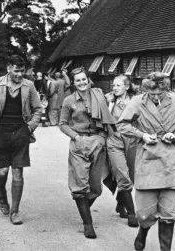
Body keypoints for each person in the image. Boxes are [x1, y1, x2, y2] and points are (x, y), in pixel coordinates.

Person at [117, 72, 175, 251]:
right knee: (145, 214)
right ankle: (143, 230)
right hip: (148, 157)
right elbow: (122, 124)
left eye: (159, 94)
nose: (155, 97)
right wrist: (142, 135)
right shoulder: (137, 101)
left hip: (170, 160)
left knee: (169, 214)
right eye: (151, 94)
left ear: (166, 89)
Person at [0, 55, 41, 225]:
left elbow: (38, 109)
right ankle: (2, 194)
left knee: (17, 172)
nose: (20, 74)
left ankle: (15, 211)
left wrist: (29, 128)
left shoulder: (29, 86)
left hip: (20, 132)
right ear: (8, 68)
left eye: (22, 71)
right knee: (2, 172)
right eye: (16, 70)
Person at [59, 67, 116, 239]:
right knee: (80, 186)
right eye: (78, 81)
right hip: (79, 144)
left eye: (84, 79)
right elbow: (62, 124)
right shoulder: (69, 101)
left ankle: (83, 208)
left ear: (88, 80)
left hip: (98, 142)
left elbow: (107, 118)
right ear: (74, 83)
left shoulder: (100, 96)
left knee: (95, 187)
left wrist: (102, 137)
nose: (82, 83)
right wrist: (76, 137)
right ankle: (88, 224)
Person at [106, 75, 139, 227]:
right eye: (113, 85)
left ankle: (120, 204)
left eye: (118, 85)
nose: (114, 87)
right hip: (114, 140)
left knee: (130, 175)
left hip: (132, 141)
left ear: (127, 86)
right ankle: (132, 214)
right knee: (122, 175)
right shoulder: (110, 101)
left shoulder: (136, 102)